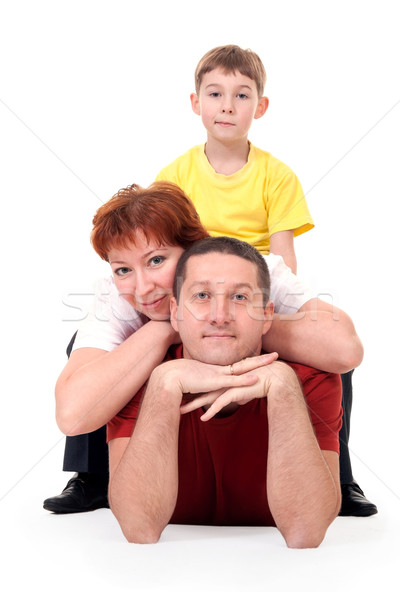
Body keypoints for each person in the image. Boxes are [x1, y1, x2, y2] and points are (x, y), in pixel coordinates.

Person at [44, 182, 362, 515]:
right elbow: (72, 414)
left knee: (323, 360)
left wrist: (228, 325)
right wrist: (166, 328)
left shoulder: (253, 269)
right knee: (87, 352)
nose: (142, 287)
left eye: (156, 261)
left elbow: (344, 350)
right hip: (158, 400)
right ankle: (93, 477)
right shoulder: (115, 298)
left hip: (253, 380)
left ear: (195, 247)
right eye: (123, 269)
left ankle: (337, 477)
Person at [155, 44, 376, 516]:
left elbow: (283, 254)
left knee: (334, 356)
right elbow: (166, 249)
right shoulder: (174, 175)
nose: (228, 106)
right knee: (88, 345)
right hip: (196, 288)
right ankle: (90, 474)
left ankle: (341, 475)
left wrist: (261, 307)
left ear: (261, 106)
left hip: (257, 285)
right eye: (215, 94)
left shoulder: (277, 175)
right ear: (196, 102)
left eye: (241, 95)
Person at [108, 236, 343, 547]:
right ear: (176, 313)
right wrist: (164, 383)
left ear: (267, 315)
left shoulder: (310, 379)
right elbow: (139, 529)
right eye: (202, 295)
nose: (220, 316)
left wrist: (284, 387)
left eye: (240, 298)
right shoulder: (137, 377)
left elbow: (306, 533)